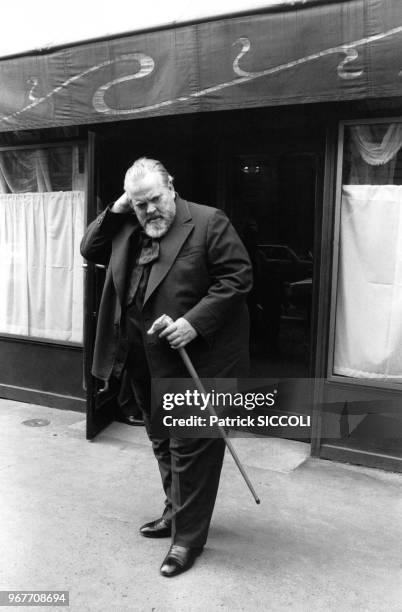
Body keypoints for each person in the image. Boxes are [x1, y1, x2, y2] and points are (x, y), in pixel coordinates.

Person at [80, 157, 252, 577]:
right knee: (161, 440)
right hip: (141, 358)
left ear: (171, 187)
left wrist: (193, 323)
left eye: (155, 199)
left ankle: (188, 540)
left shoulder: (209, 223)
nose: (150, 211)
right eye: (140, 204)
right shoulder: (126, 225)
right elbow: (89, 248)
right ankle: (177, 513)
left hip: (197, 360)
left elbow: (237, 277)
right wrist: (120, 208)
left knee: (191, 447)